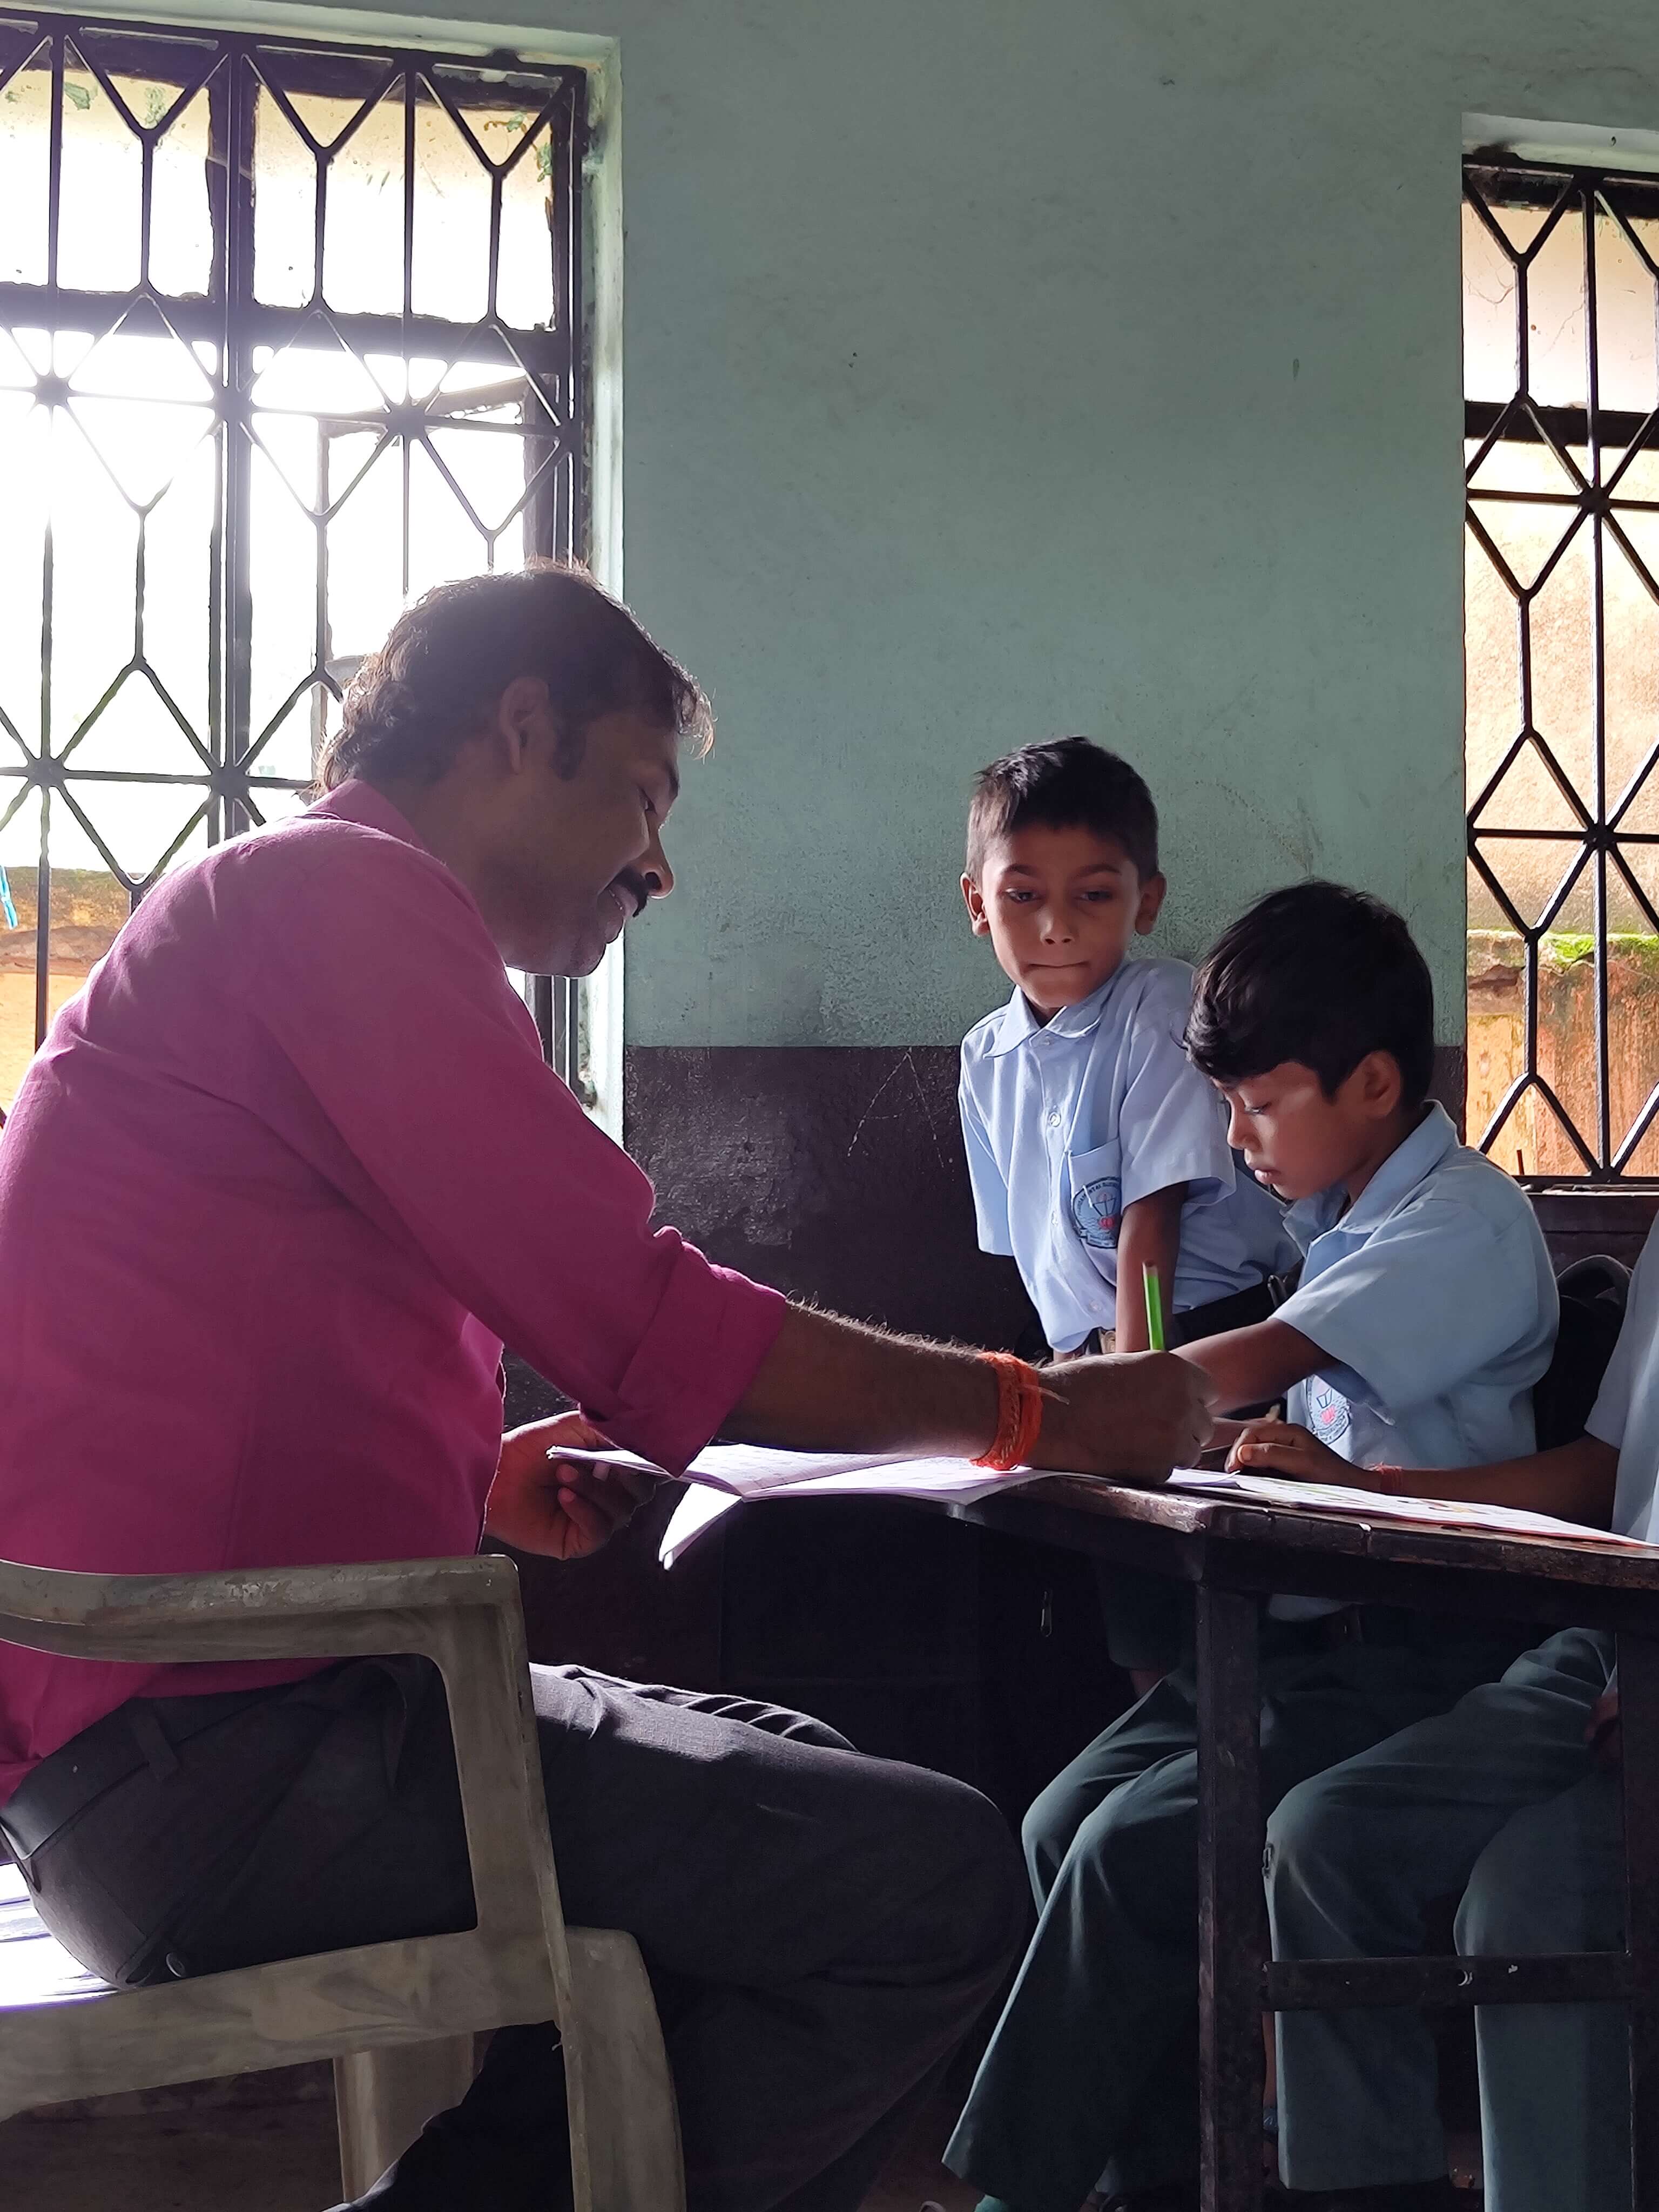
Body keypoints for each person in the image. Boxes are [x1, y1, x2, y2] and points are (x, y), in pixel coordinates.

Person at [0, 565, 1216, 2212]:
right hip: (223, 1761)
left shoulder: (284, 914)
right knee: (926, 1883)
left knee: (804, 1775)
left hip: (200, 1729)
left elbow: (225, 1338)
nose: (659, 863)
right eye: (643, 796)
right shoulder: (340, 899)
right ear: (523, 732)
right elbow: (644, 1320)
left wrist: (477, 1478)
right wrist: (1044, 1412)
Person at [945, 881, 1559, 2212]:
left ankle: (1011, 2194)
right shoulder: (1337, 1220)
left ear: (1376, 1082)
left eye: (1262, 1103)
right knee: (1061, 1820)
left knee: (1127, 1853)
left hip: (1420, 1652)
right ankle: (1153, 2179)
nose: (1235, 1136)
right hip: (1301, 1640)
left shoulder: (1459, 1219)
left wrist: (1027, 1407)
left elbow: (1251, 1362)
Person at [1255, 1231, 1654, 2212]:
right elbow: (1605, 1469)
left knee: (1533, 1905)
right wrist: (1373, 1493)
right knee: (1324, 1836)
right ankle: (1367, 2192)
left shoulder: (1461, 1224)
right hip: (1615, 1634)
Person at [957, 737, 1294, 1684]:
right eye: (1024, 895)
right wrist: (1071, 1385)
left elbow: (1153, 1222)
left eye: (1094, 895)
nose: (1057, 926)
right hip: (1084, 1358)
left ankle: (1223, 1766)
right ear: (978, 905)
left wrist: (1132, 1389)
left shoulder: (1160, 1008)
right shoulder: (984, 1059)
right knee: (1130, 1618)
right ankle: (1155, 1755)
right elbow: (1027, 1250)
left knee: (1213, 1609)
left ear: (1146, 901)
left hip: (1201, 1341)